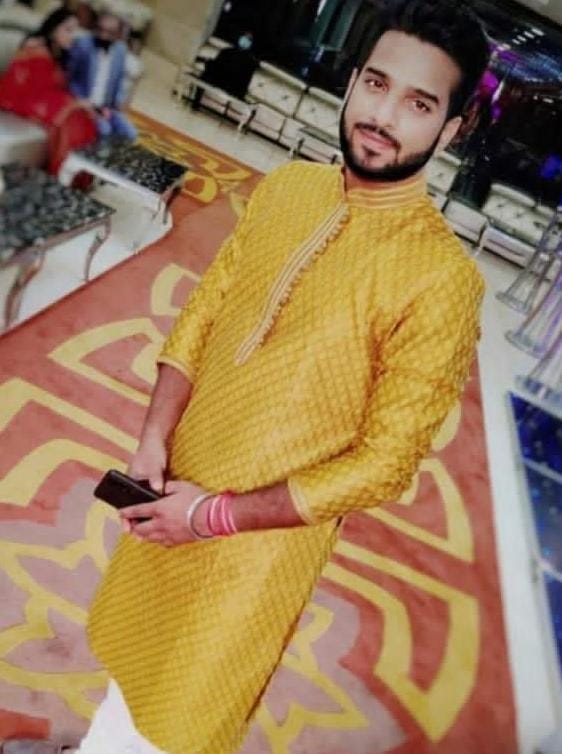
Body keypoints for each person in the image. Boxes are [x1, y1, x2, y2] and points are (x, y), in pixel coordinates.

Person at [78, 2, 490, 753]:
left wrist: (211, 517)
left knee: (173, 720)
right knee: (123, 667)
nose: (383, 116)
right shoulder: (289, 187)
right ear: (353, 80)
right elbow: (203, 314)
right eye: (376, 84)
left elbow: (384, 464)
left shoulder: (442, 281)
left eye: (419, 103)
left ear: (452, 129)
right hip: (170, 483)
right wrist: (153, 440)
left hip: (252, 553)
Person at [0, 8, 97, 174]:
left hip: (40, 97)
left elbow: (54, 87)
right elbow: (28, 85)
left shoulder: (58, 51)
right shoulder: (35, 46)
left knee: (82, 115)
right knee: (73, 116)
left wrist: (77, 103)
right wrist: (74, 103)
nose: (72, 36)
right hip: (19, 97)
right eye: (68, 30)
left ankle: (74, 173)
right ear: (53, 29)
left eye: (74, 31)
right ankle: (61, 171)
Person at [67, 9, 137, 140]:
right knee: (104, 130)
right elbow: (68, 78)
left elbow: (118, 82)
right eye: (100, 29)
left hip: (107, 108)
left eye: (110, 32)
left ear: (118, 34)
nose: (103, 36)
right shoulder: (82, 45)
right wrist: (81, 102)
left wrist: (118, 102)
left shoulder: (120, 51)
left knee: (130, 133)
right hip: (84, 105)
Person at [192, 31, 258, 109]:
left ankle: (196, 102)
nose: (245, 41)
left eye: (248, 39)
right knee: (207, 73)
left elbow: (245, 79)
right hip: (221, 81)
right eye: (244, 38)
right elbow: (217, 65)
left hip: (232, 87)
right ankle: (196, 102)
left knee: (208, 72)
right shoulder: (227, 51)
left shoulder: (250, 61)